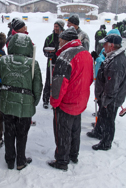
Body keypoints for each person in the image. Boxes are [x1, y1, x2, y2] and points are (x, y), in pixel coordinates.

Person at [0, 33, 43, 170]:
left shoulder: (4, 60)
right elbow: (38, 86)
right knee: (22, 134)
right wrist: (33, 102)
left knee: (9, 131)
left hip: (7, 103)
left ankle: (10, 160)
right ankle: (21, 161)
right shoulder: (33, 64)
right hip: (25, 103)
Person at [47, 27, 93, 171]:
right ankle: (73, 155)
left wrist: (54, 102)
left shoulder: (65, 56)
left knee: (63, 132)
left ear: (66, 40)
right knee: (75, 130)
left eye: (60, 40)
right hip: (80, 100)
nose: (58, 43)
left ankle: (61, 161)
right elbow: (90, 78)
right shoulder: (86, 53)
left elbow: (59, 85)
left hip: (67, 102)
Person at [87, 34, 126, 151]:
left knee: (108, 120)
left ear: (111, 45)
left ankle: (106, 142)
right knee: (103, 115)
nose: (103, 46)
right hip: (106, 96)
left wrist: (106, 100)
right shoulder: (113, 56)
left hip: (111, 98)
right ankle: (98, 131)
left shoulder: (116, 62)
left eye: (105, 44)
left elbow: (112, 85)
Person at [42, 20, 64, 109]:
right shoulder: (49, 38)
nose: (55, 28)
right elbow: (45, 49)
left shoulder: (64, 38)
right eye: (54, 26)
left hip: (61, 63)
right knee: (48, 81)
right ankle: (46, 99)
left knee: (59, 82)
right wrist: (48, 54)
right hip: (51, 62)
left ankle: (57, 100)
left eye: (57, 26)